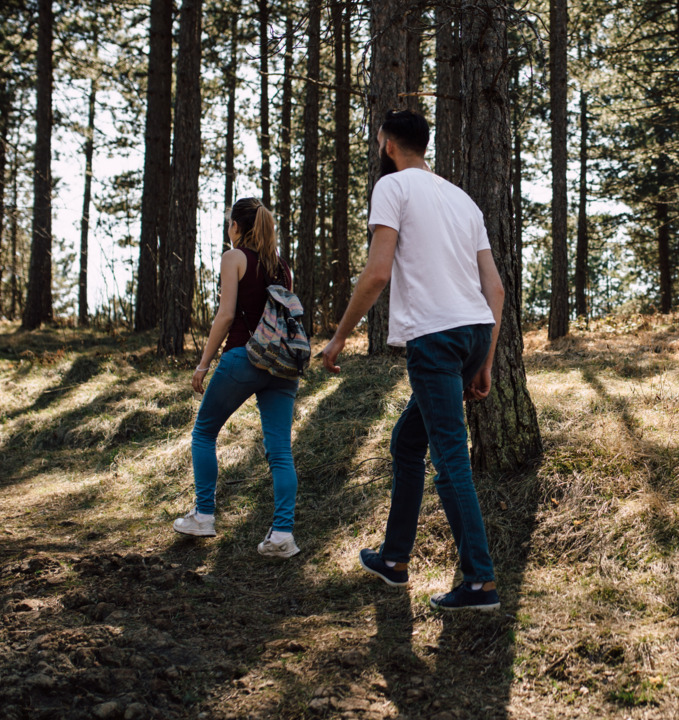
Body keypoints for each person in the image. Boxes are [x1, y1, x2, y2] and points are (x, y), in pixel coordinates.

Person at [321, 110, 506, 612]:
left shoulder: (393, 188)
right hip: (471, 335)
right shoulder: (462, 199)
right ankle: (394, 559)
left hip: (436, 339)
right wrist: (484, 358)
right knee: (408, 442)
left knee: (449, 460)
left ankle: (479, 582)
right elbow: (495, 287)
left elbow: (377, 273)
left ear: (387, 145)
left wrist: (338, 339)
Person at [173, 198, 303, 559]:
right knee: (279, 451)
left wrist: (203, 363)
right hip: (282, 366)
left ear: (235, 226)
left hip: (243, 358)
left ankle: (203, 515)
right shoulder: (283, 267)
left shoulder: (234, 258)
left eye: (228, 223)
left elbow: (226, 315)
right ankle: (281, 535)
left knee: (204, 432)